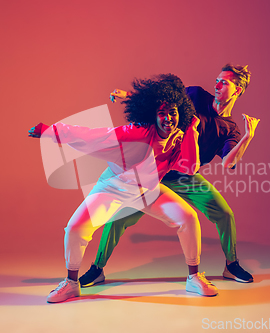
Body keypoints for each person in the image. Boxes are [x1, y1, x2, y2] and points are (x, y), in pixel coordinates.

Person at [29, 74, 218, 303]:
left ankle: (194, 277)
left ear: (182, 113)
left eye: (173, 113)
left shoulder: (180, 136)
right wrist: (52, 131)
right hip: (114, 187)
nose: (168, 118)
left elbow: (190, 167)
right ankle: (70, 284)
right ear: (153, 115)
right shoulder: (137, 133)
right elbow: (95, 136)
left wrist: (191, 131)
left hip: (148, 190)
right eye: (162, 113)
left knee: (188, 217)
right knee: (75, 228)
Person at [80, 64, 260, 288]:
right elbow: (161, 101)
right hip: (155, 170)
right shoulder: (194, 96)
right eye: (217, 79)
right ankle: (97, 269)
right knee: (119, 217)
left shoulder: (230, 129)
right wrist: (130, 96)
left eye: (224, 82)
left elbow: (229, 162)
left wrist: (248, 137)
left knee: (224, 213)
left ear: (238, 91)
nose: (217, 84)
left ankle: (231, 265)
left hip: (185, 176)